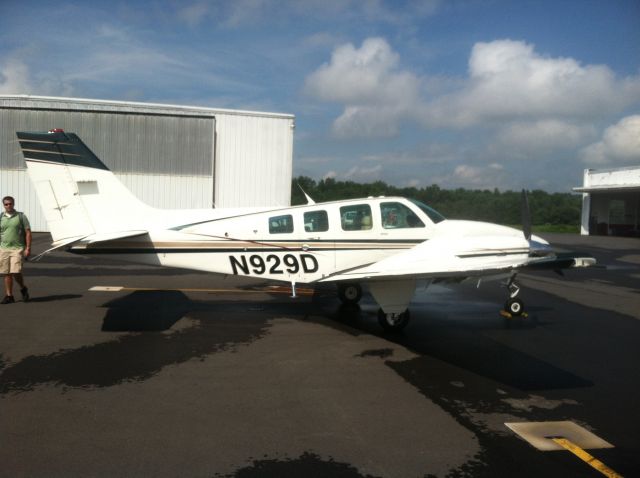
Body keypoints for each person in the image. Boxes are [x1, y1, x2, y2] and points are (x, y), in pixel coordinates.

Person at [0, 196, 31, 304]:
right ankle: (9, 296)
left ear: (14, 204)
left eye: (10, 204)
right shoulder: (1, 217)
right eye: (6, 204)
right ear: (3, 205)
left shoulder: (21, 216)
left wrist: (28, 248)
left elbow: (27, 232)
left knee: (16, 271)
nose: (9, 206)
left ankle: (23, 288)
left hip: (17, 249)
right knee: (7, 273)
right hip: (4, 249)